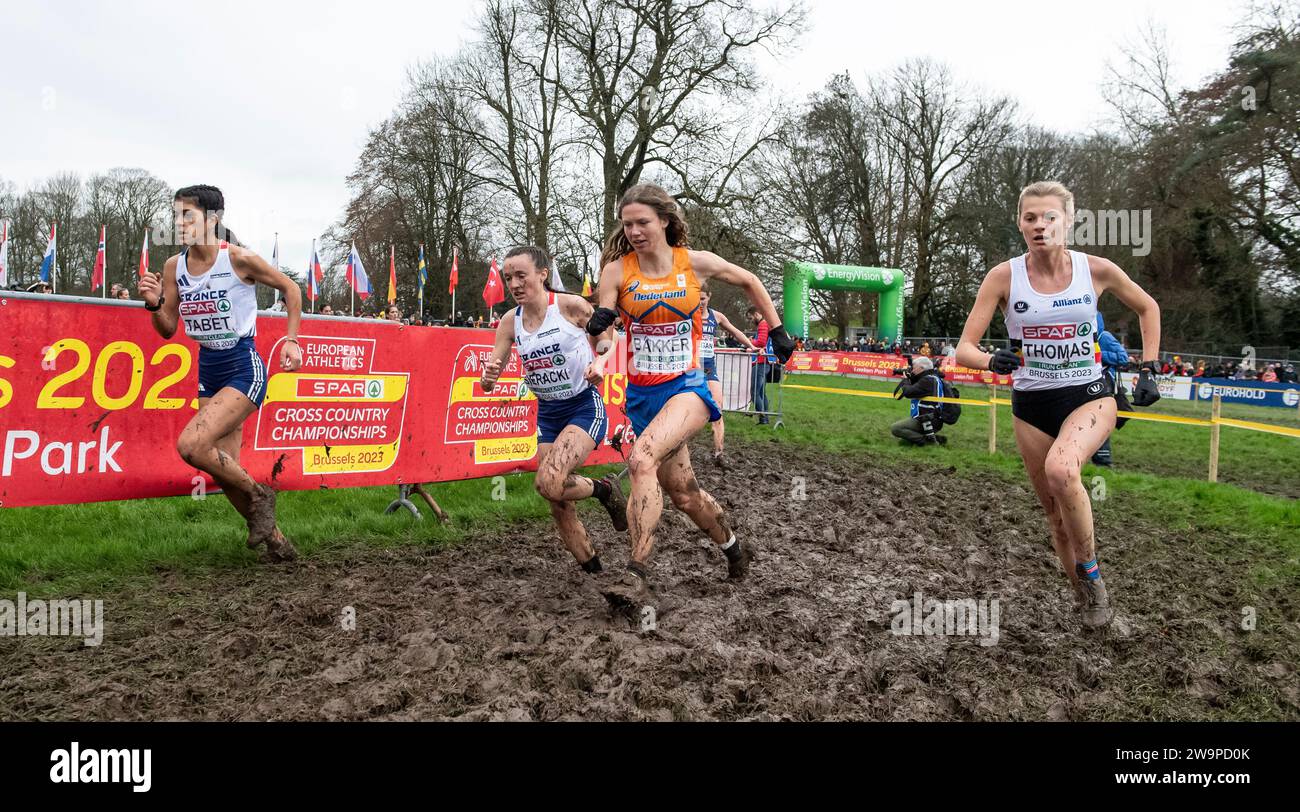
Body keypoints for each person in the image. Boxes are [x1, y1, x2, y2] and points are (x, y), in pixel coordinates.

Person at [956, 181, 1161, 629]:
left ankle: (1092, 574)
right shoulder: (1003, 277)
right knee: (1054, 515)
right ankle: (1087, 602)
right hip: (1030, 403)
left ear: (1068, 221)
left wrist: (1150, 369)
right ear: (1020, 224)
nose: (1040, 226)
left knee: (1062, 469)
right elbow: (963, 350)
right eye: (1030, 218)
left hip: (1087, 394)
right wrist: (993, 360)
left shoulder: (1097, 270)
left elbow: (1148, 307)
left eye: (1049, 217)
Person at [586, 183, 795, 609]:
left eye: (643, 222)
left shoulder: (694, 264)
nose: (635, 232)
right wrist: (603, 345)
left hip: (688, 388)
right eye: (627, 225)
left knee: (640, 459)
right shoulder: (617, 271)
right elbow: (605, 333)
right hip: (643, 394)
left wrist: (777, 331)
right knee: (682, 493)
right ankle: (733, 547)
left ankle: (635, 574)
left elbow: (750, 280)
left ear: (664, 220)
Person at [138, 184, 302, 562]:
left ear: (212, 219)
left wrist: (291, 340)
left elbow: (290, 288)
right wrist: (153, 305)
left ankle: (261, 496)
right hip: (209, 366)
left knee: (191, 446)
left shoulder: (239, 259)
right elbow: (168, 329)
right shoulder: (173, 267)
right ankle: (277, 543)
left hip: (243, 365)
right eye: (176, 215)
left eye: (187, 215)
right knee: (227, 473)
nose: (178, 223)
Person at [480, 246, 627, 574]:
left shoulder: (570, 306)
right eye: (509, 278)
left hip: (582, 407)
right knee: (558, 501)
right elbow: (489, 378)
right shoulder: (509, 321)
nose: (515, 284)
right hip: (548, 412)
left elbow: (608, 337)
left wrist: (602, 360)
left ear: (542, 275)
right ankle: (595, 573)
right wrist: (487, 378)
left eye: (522, 276)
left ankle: (604, 489)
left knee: (548, 481)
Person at [698, 280, 759, 467]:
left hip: (708, 368)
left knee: (718, 410)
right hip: (689, 369)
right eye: (696, 298)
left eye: (702, 299)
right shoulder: (686, 314)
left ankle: (719, 454)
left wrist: (751, 346)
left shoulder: (716, 316)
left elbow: (735, 331)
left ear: (709, 297)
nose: (699, 302)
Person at [1090, 312, 1131, 468]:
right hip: (1086, 382)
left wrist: (1098, 354)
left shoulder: (1104, 337)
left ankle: (1103, 458)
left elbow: (1123, 358)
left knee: (1099, 419)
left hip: (1105, 382)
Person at [890, 355, 947, 445]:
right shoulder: (933, 377)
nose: (912, 371)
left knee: (896, 428)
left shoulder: (927, 380)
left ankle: (928, 442)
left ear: (921, 368)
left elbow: (908, 392)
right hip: (932, 418)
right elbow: (919, 388)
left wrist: (906, 381)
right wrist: (911, 379)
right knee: (905, 440)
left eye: (914, 368)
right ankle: (932, 438)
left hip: (927, 420)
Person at [746, 306, 774, 424]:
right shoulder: (765, 324)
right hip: (765, 362)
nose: (751, 320)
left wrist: (748, 342)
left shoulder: (763, 324)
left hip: (761, 362)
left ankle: (763, 418)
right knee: (762, 392)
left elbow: (761, 342)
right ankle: (765, 418)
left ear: (757, 314)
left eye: (750, 317)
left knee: (754, 392)